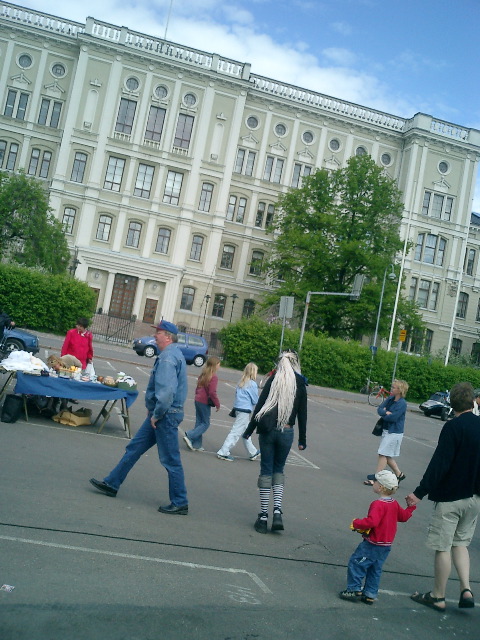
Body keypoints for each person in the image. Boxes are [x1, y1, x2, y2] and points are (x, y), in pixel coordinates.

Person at [90, 320, 189, 515]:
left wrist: (157, 413)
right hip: (161, 414)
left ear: (168, 337)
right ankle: (112, 483)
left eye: (158, 332)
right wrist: (154, 410)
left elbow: (167, 392)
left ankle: (180, 501)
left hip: (165, 416)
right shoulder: (172, 354)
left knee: (171, 460)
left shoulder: (168, 358)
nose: (155, 335)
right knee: (134, 448)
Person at [406, 381, 480, 612]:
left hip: (450, 498)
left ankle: (438, 595)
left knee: (443, 546)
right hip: (475, 497)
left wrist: (419, 493)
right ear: (472, 401)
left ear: (451, 402)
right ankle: (466, 589)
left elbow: (440, 464)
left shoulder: (453, 427)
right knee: (461, 543)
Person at [243, 350, 307, 534]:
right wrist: (302, 439)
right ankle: (277, 511)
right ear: (295, 363)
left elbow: (261, 406)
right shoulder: (300, 382)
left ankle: (263, 516)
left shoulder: (274, 380)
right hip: (287, 431)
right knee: (279, 469)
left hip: (268, 431)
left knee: (266, 470)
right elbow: (303, 413)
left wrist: (249, 431)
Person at [339, 470, 415, 605]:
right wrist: (410, 508)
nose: (373, 483)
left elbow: (372, 521)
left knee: (357, 563)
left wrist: (357, 523)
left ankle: (354, 589)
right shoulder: (394, 503)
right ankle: (370, 593)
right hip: (386, 544)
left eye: (375, 482)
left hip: (373, 542)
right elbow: (403, 517)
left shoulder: (377, 504)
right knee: (375, 568)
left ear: (380, 487)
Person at [364, 379, 408, 486]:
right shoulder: (391, 399)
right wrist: (385, 412)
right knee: (386, 455)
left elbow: (393, 418)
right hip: (387, 430)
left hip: (394, 432)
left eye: (393, 387)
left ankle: (377, 478)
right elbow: (379, 409)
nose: (391, 389)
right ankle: (399, 474)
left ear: (400, 390)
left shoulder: (402, 403)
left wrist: (386, 413)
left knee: (383, 453)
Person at [217, 362, 260, 461]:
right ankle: (223, 452)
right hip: (245, 410)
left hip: (238, 409)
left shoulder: (241, 381)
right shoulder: (252, 384)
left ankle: (252, 452)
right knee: (235, 432)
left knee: (246, 431)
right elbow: (255, 400)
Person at [183, 356, 221, 452]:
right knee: (205, 423)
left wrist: (197, 395)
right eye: (218, 364)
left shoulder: (204, 374)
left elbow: (198, 387)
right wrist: (217, 404)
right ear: (214, 365)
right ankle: (190, 435)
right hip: (204, 401)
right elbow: (212, 392)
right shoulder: (214, 377)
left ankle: (197, 444)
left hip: (198, 399)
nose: (219, 366)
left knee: (199, 422)